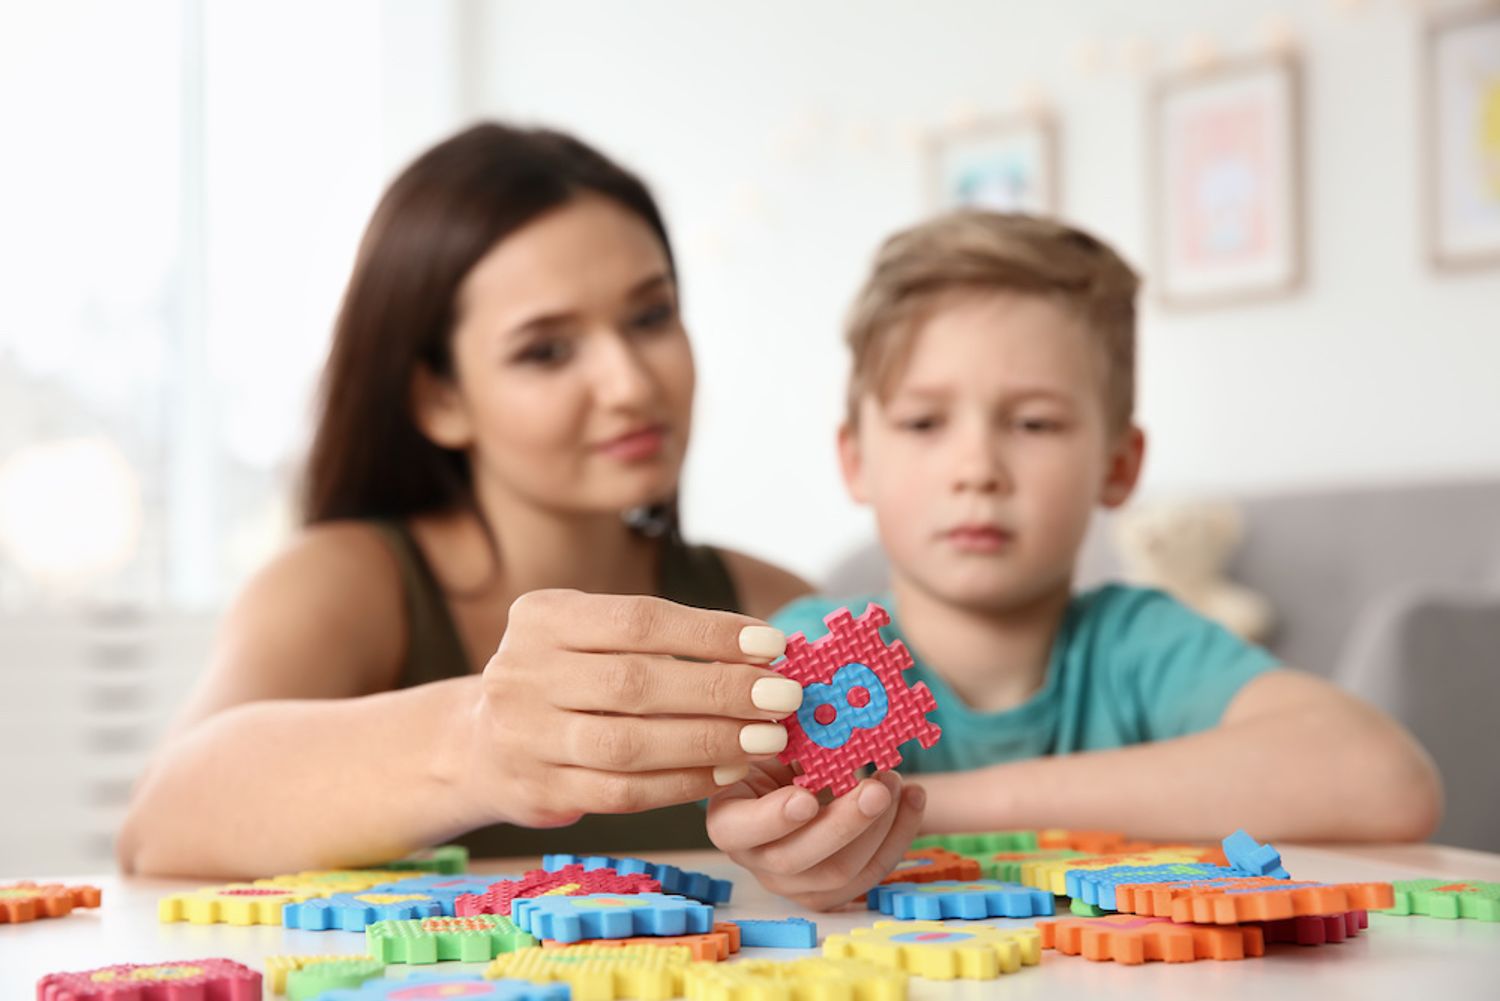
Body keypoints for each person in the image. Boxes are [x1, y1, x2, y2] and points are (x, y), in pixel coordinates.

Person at [117, 122, 820, 878]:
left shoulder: (774, 604)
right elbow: (159, 824)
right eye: (546, 350)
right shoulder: (346, 581)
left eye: (650, 316)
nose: (631, 384)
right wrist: (478, 744)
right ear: (440, 397)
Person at [707, 211, 1443, 910]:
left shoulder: (1138, 644)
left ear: (1119, 463)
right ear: (856, 458)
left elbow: (1387, 779)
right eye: (925, 421)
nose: (978, 468)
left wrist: (939, 810)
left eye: (1034, 422)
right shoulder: (807, 654)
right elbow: (746, 813)